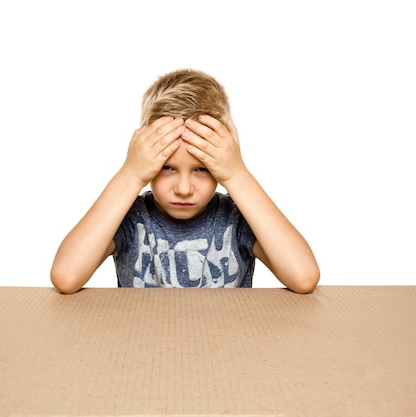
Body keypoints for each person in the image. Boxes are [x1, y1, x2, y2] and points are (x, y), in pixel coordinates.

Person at [51, 68, 319, 293]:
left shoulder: (237, 219)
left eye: (202, 169)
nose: (183, 189)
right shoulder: (130, 218)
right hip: (143, 352)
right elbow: (66, 277)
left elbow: (304, 278)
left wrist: (237, 175)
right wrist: (130, 175)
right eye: (166, 167)